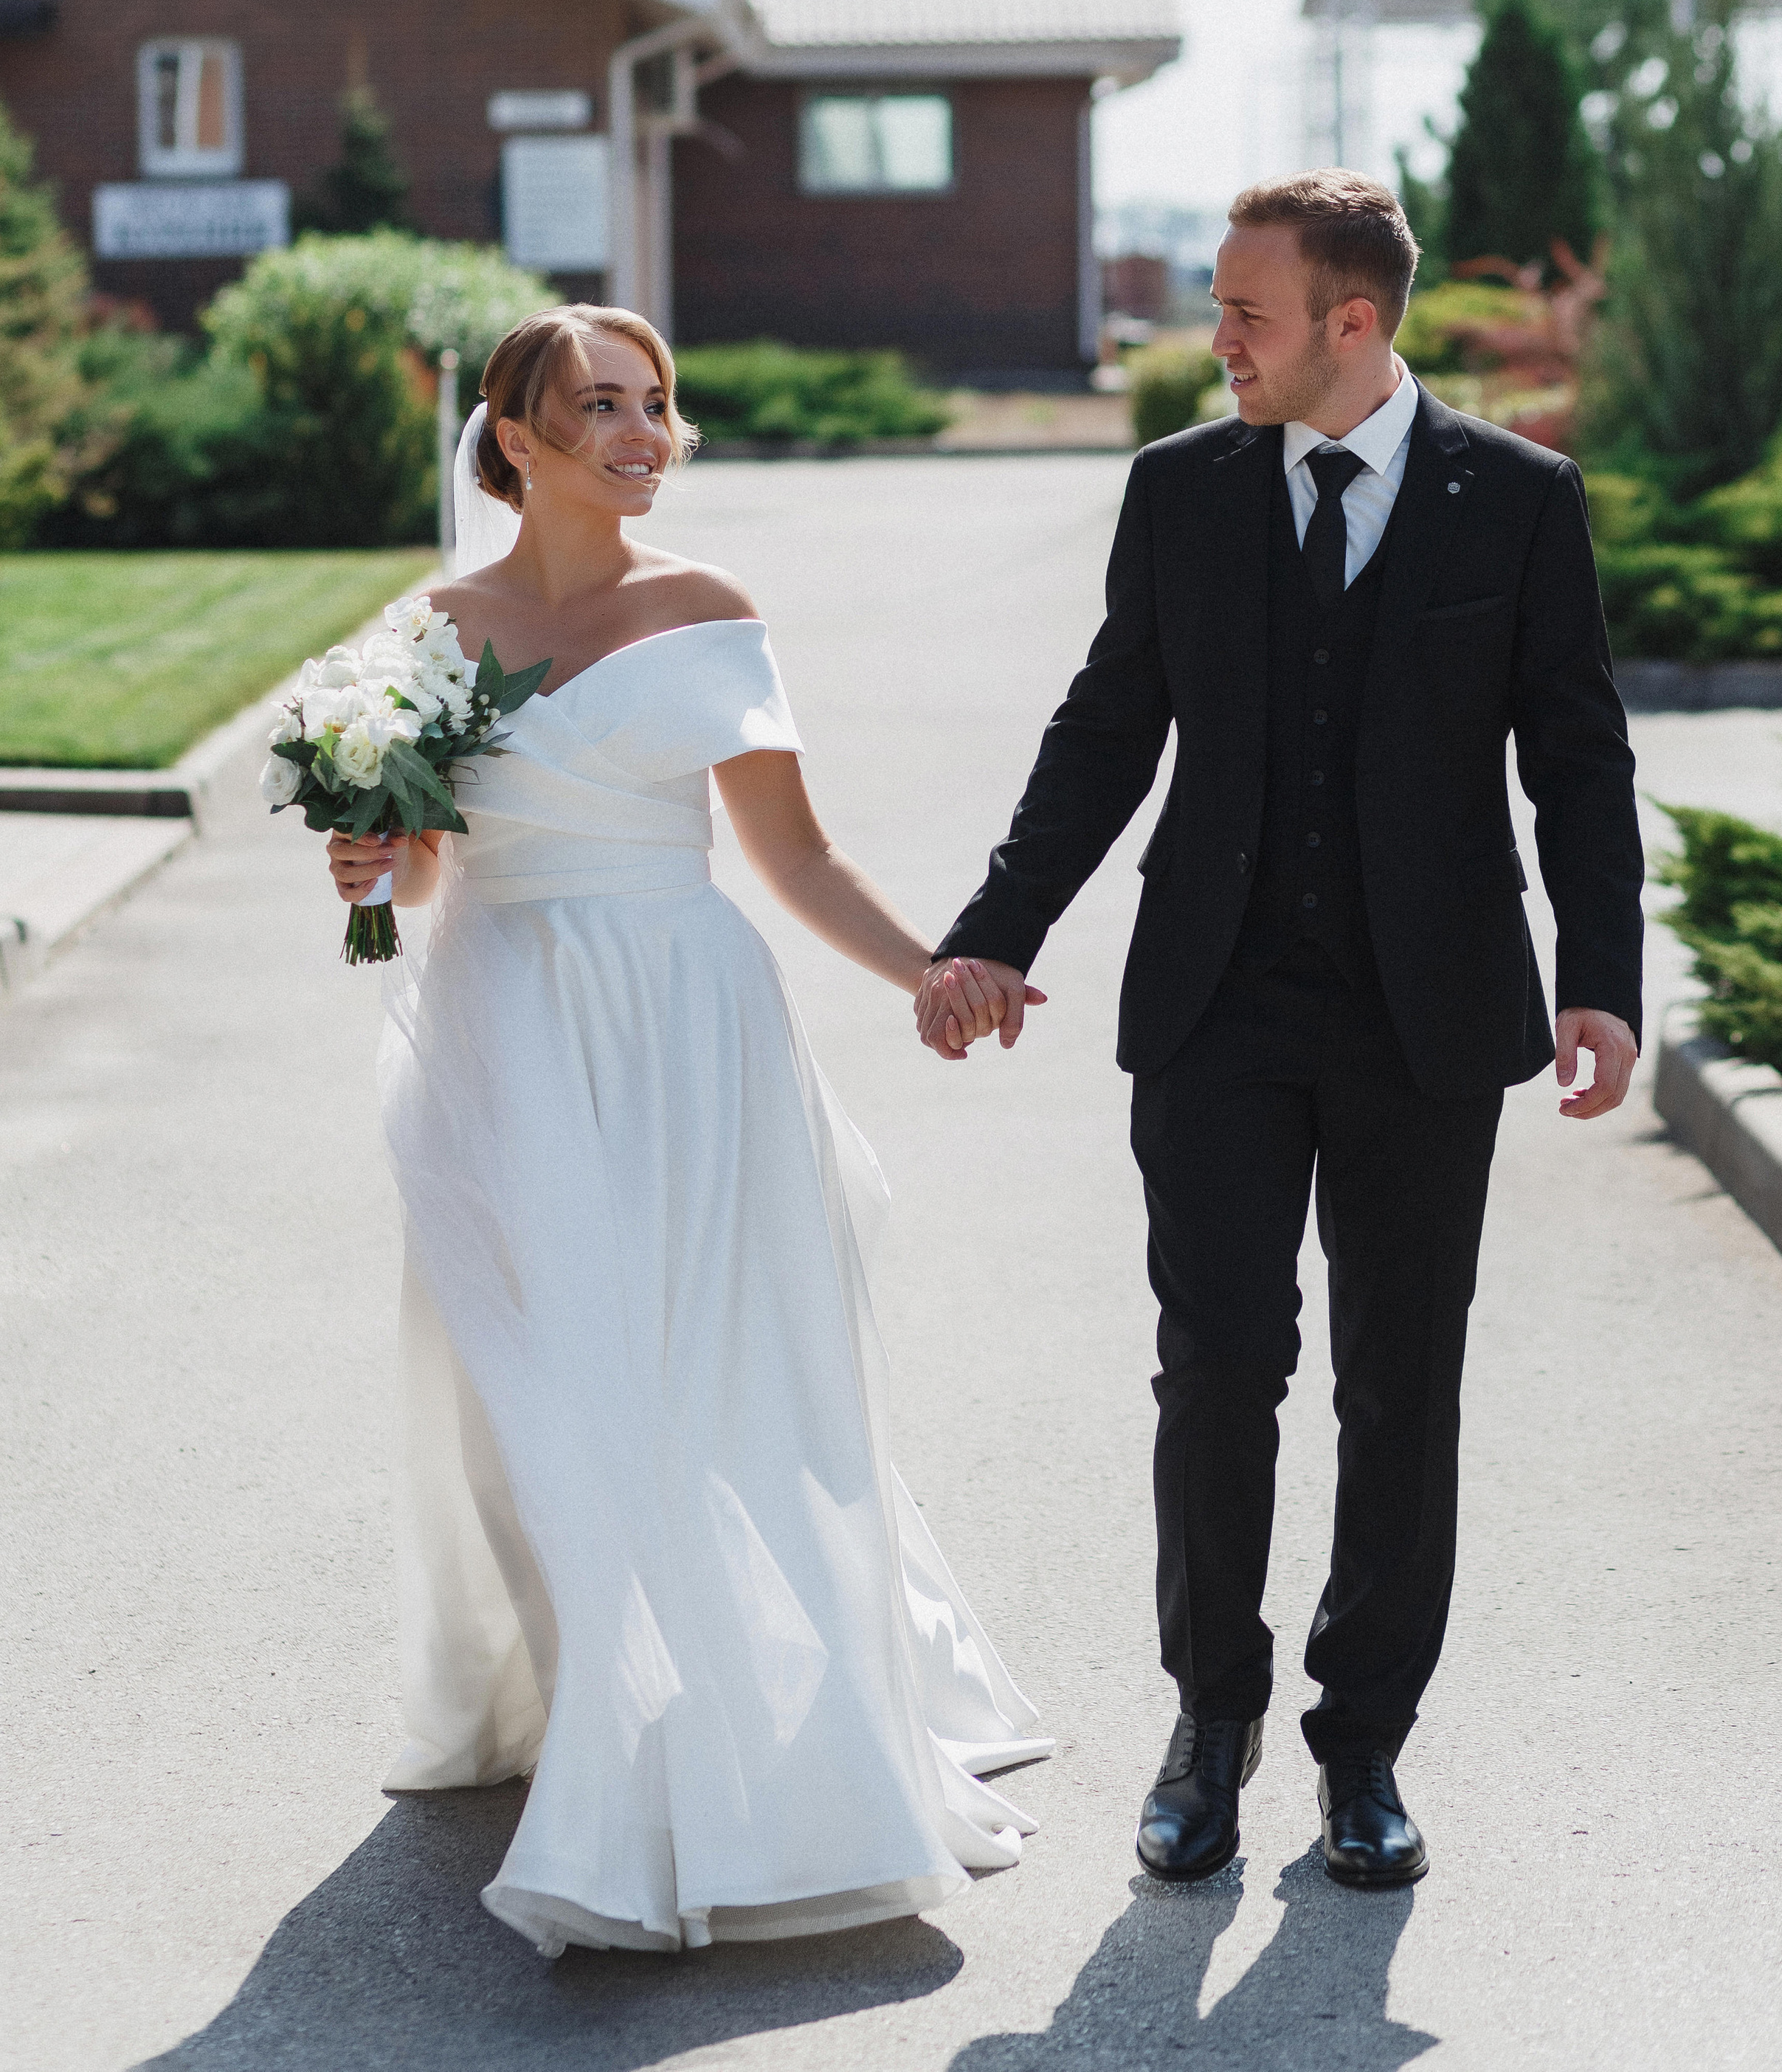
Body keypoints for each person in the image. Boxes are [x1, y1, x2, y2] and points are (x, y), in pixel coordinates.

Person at [917, 170, 1643, 1890]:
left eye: (1241, 313)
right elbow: (1106, 727)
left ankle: (1365, 1744)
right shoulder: (1179, 490)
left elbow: (1577, 754)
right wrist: (996, 934)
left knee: (1403, 1387)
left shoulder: (1516, 500)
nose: (1211, 340)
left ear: (1351, 322)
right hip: (1215, 1006)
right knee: (1217, 1370)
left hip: (1427, 1014)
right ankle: (1209, 1724)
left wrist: (1596, 977)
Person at [324, 304, 1048, 1957]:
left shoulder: (708, 610)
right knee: (554, 1376)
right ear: (514, 438)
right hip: (508, 1023)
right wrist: (369, 868)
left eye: (657, 404)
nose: (643, 433)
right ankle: (611, 1703)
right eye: (600, 407)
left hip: (692, 1032)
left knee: (719, 1366)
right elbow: (423, 871)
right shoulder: (426, 632)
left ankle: (753, 1744)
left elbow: (792, 863)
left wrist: (933, 967)